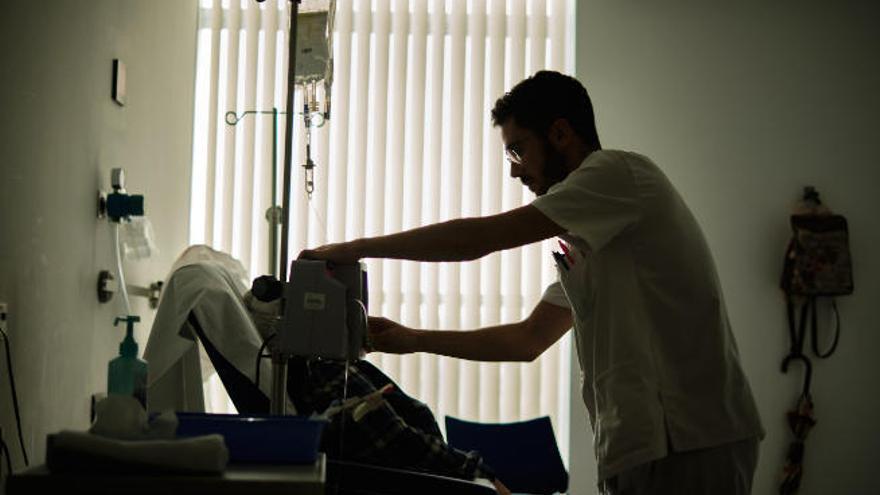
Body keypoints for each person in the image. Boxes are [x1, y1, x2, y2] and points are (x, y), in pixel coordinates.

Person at [300, 70, 764, 495]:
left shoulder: (619, 174)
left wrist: (351, 248)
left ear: (560, 134)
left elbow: (481, 238)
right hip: (640, 444)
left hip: (690, 438)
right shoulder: (594, 239)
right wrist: (410, 338)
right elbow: (528, 339)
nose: (514, 169)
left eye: (518, 149)